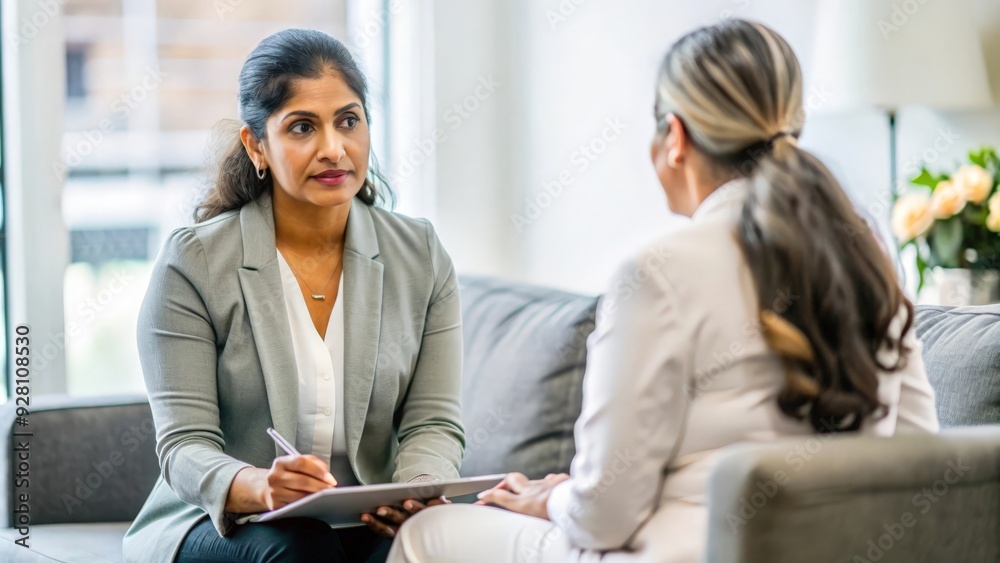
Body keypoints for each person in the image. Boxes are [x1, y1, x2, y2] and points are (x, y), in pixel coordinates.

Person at [385, 19, 939, 563]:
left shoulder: (658, 272)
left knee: (427, 532)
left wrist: (549, 497)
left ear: (674, 136)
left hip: (684, 551)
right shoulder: (867, 256)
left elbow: (604, 517)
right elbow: (918, 452)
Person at [123, 29, 465, 563]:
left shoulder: (419, 254)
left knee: (435, 543)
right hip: (223, 520)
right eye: (302, 127)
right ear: (256, 145)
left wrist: (418, 492)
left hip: (363, 516)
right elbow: (184, 447)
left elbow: (433, 423)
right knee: (302, 549)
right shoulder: (194, 263)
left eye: (348, 121)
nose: (334, 149)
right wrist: (260, 486)